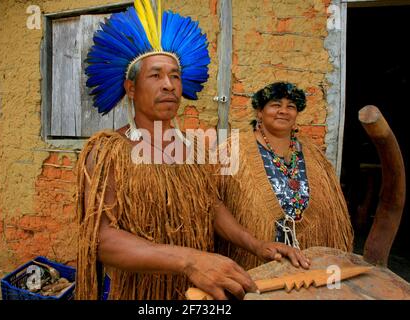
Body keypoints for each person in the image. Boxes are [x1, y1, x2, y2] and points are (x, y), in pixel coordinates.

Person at [75, 2, 309, 300]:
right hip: (138, 294)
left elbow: (210, 207)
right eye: (155, 76)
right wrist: (189, 260)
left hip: (197, 293)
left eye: (175, 76)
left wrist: (256, 244)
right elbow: (102, 238)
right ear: (131, 88)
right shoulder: (109, 151)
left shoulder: (193, 148)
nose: (169, 85)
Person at [217, 82, 354, 271]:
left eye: (291, 106)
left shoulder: (312, 153)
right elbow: (214, 203)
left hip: (308, 264)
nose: (283, 111)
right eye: (275, 105)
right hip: (255, 261)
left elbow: (334, 208)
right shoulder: (232, 150)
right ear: (259, 112)